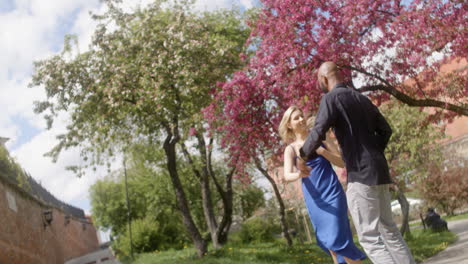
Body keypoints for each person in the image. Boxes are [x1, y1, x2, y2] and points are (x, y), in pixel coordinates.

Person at [299, 61, 415, 264]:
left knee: (370, 238)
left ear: (324, 79)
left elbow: (318, 131)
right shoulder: (361, 98)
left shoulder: (331, 99)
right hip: (379, 171)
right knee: (391, 232)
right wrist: (372, 153)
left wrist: (302, 155)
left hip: (360, 175)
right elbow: (386, 130)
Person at [280, 106, 366, 264]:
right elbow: (287, 175)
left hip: (333, 194)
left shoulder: (321, 138)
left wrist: (322, 152)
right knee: (330, 244)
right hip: (314, 201)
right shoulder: (290, 149)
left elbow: (341, 163)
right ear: (289, 125)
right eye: (296, 118)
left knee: (339, 239)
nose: (301, 119)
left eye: (301, 116)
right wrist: (299, 174)